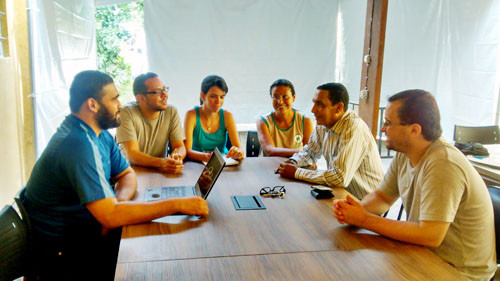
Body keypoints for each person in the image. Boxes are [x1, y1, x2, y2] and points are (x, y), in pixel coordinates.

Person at [23, 70, 209, 281]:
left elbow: (126, 174)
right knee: (158, 260)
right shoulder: (78, 144)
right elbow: (111, 216)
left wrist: (118, 205)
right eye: (114, 98)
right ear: (93, 104)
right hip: (64, 254)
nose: (120, 104)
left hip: (88, 232)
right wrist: (178, 204)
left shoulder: (99, 134)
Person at [333, 90, 496, 281]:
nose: (383, 129)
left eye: (387, 123)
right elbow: (382, 197)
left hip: (459, 272)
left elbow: (429, 235)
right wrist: (353, 210)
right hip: (426, 256)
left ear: (414, 130)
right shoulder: (406, 152)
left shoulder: (443, 163)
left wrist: (364, 220)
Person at [275, 82, 384, 200]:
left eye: (320, 104)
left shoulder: (353, 128)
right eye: (314, 103)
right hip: (341, 194)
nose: (313, 110)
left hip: (367, 202)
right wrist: (293, 162)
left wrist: (297, 173)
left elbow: (339, 178)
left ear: (338, 108)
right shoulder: (322, 124)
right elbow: (310, 152)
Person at [116, 72, 185, 174]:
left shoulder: (171, 111)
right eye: (157, 92)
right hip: (130, 172)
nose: (165, 95)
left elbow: (180, 146)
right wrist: (163, 163)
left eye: (164, 89)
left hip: (158, 171)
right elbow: (132, 155)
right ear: (141, 98)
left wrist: (176, 159)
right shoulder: (126, 112)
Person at [184, 75, 244, 163]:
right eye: (213, 96)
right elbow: (187, 151)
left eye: (222, 97)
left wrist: (238, 152)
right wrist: (205, 156)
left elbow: (240, 148)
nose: (218, 101)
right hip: (197, 164)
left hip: (224, 163)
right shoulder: (191, 115)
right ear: (202, 96)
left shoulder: (227, 116)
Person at [257, 79, 314, 156]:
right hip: (271, 166)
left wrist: (307, 154)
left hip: (296, 165)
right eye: (275, 97)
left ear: (293, 98)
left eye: (285, 96)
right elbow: (269, 151)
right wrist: (302, 152)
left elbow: (310, 154)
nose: (280, 101)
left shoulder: (305, 121)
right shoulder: (263, 121)